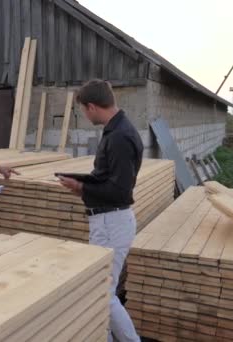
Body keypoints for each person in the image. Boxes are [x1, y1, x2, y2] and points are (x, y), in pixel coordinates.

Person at [58, 80, 143, 342]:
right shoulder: (117, 130)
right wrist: (83, 183)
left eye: (84, 110)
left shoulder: (119, 137)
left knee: (102, 291)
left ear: (92, 106)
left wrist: (82, 188)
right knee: (101, 289)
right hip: (109, 220)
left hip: (111, 221)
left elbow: (120, 191)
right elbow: (110, 179)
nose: (85, 115)